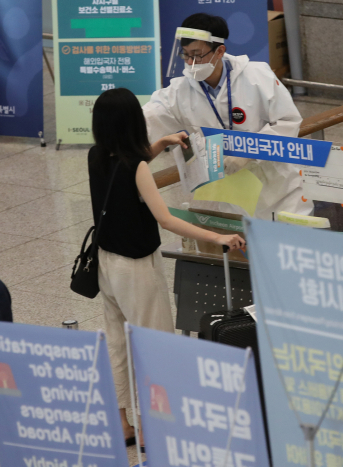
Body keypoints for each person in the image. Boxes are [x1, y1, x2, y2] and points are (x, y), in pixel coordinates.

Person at [88, 88, 245, 447]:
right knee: (152, 343)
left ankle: (123, 422)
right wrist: (216, 237)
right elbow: (166, 220)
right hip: (136, 268)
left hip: (106, 264)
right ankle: (150, 428)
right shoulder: (137, 168)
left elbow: (129, 165)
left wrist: (161, 144)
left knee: (117, 343)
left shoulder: (96, 156)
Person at [142, 13, 310, 220]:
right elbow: (149, 118)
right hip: (229, 195)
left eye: (197, 55)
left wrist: (249, 152)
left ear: (220, 50)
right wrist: (116, 120)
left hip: (280, 190)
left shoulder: (257, 76)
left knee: (290, 243)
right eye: (185, 55)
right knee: (240, 246)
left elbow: (288, 121)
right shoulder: (179, 91)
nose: (190, 63)